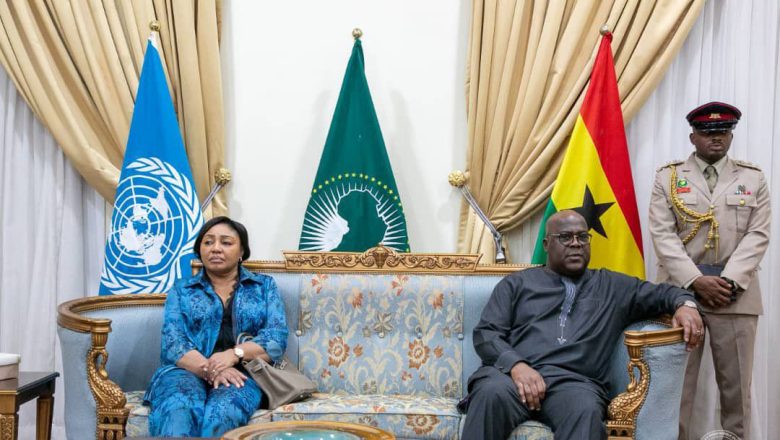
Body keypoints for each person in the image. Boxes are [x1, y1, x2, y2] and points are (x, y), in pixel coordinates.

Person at [459, 210, 703, 439]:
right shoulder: (517, 284)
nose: (576, 243)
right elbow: (487, 334)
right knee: (489, 393)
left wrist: (686, 306)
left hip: (574, 384)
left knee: (585, 410)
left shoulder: (612, 286)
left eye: (582, 237)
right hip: (512, 378)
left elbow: (666, 293)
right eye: (565, 237)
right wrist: (516, 365)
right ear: (546, 244)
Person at [649, 102, 770, 440]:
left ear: (731, 134)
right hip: (680, 294)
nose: (716, 138)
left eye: (723, 131)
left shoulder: (753, 178)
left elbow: (758, 234)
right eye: (707, 132)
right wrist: (696, 280)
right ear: (693, 136)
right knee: (675, 389)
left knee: (737, 393)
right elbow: (662, 234)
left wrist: (728, 282)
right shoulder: (668, 177)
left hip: (735, 295)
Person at [144, 216, 289, 437]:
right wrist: (213, 368)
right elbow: (173, 343)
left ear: (242, 251)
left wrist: (233, 354)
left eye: (226, 242)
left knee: (223, 412)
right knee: (179, 409)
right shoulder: (182, 289)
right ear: (199, 250)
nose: (216, 248)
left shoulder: (263, 286)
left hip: (243, 374)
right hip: (184, 372)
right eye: (208, 242)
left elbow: (276, 339)